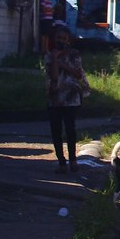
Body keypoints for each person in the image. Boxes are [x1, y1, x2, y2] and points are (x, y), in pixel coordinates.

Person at [44, 25, 87, 174]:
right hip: (55, 98)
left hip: (71, 97)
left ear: (68, 40)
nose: (61, 41)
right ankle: (61, 161)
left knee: (70, 129)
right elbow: (54, 77)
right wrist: (56, 59)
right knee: (56, 130)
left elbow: (78, 74)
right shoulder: (50, 55)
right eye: (58, 38)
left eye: (64, 38)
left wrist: (63, 63)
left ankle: (73, 160)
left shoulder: (74, 54)